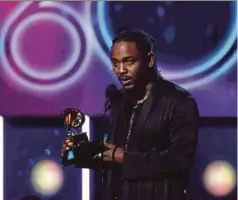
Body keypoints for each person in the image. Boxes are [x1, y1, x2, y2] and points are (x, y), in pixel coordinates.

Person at [61, 28, 199, 200]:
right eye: (115, 63)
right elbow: (113, 154)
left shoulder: (179, 102)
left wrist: (124, 158)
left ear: (149, 60)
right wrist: (81, 153)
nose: (121, 70)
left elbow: (179, 160)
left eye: (129, 61)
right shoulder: (119, 101)